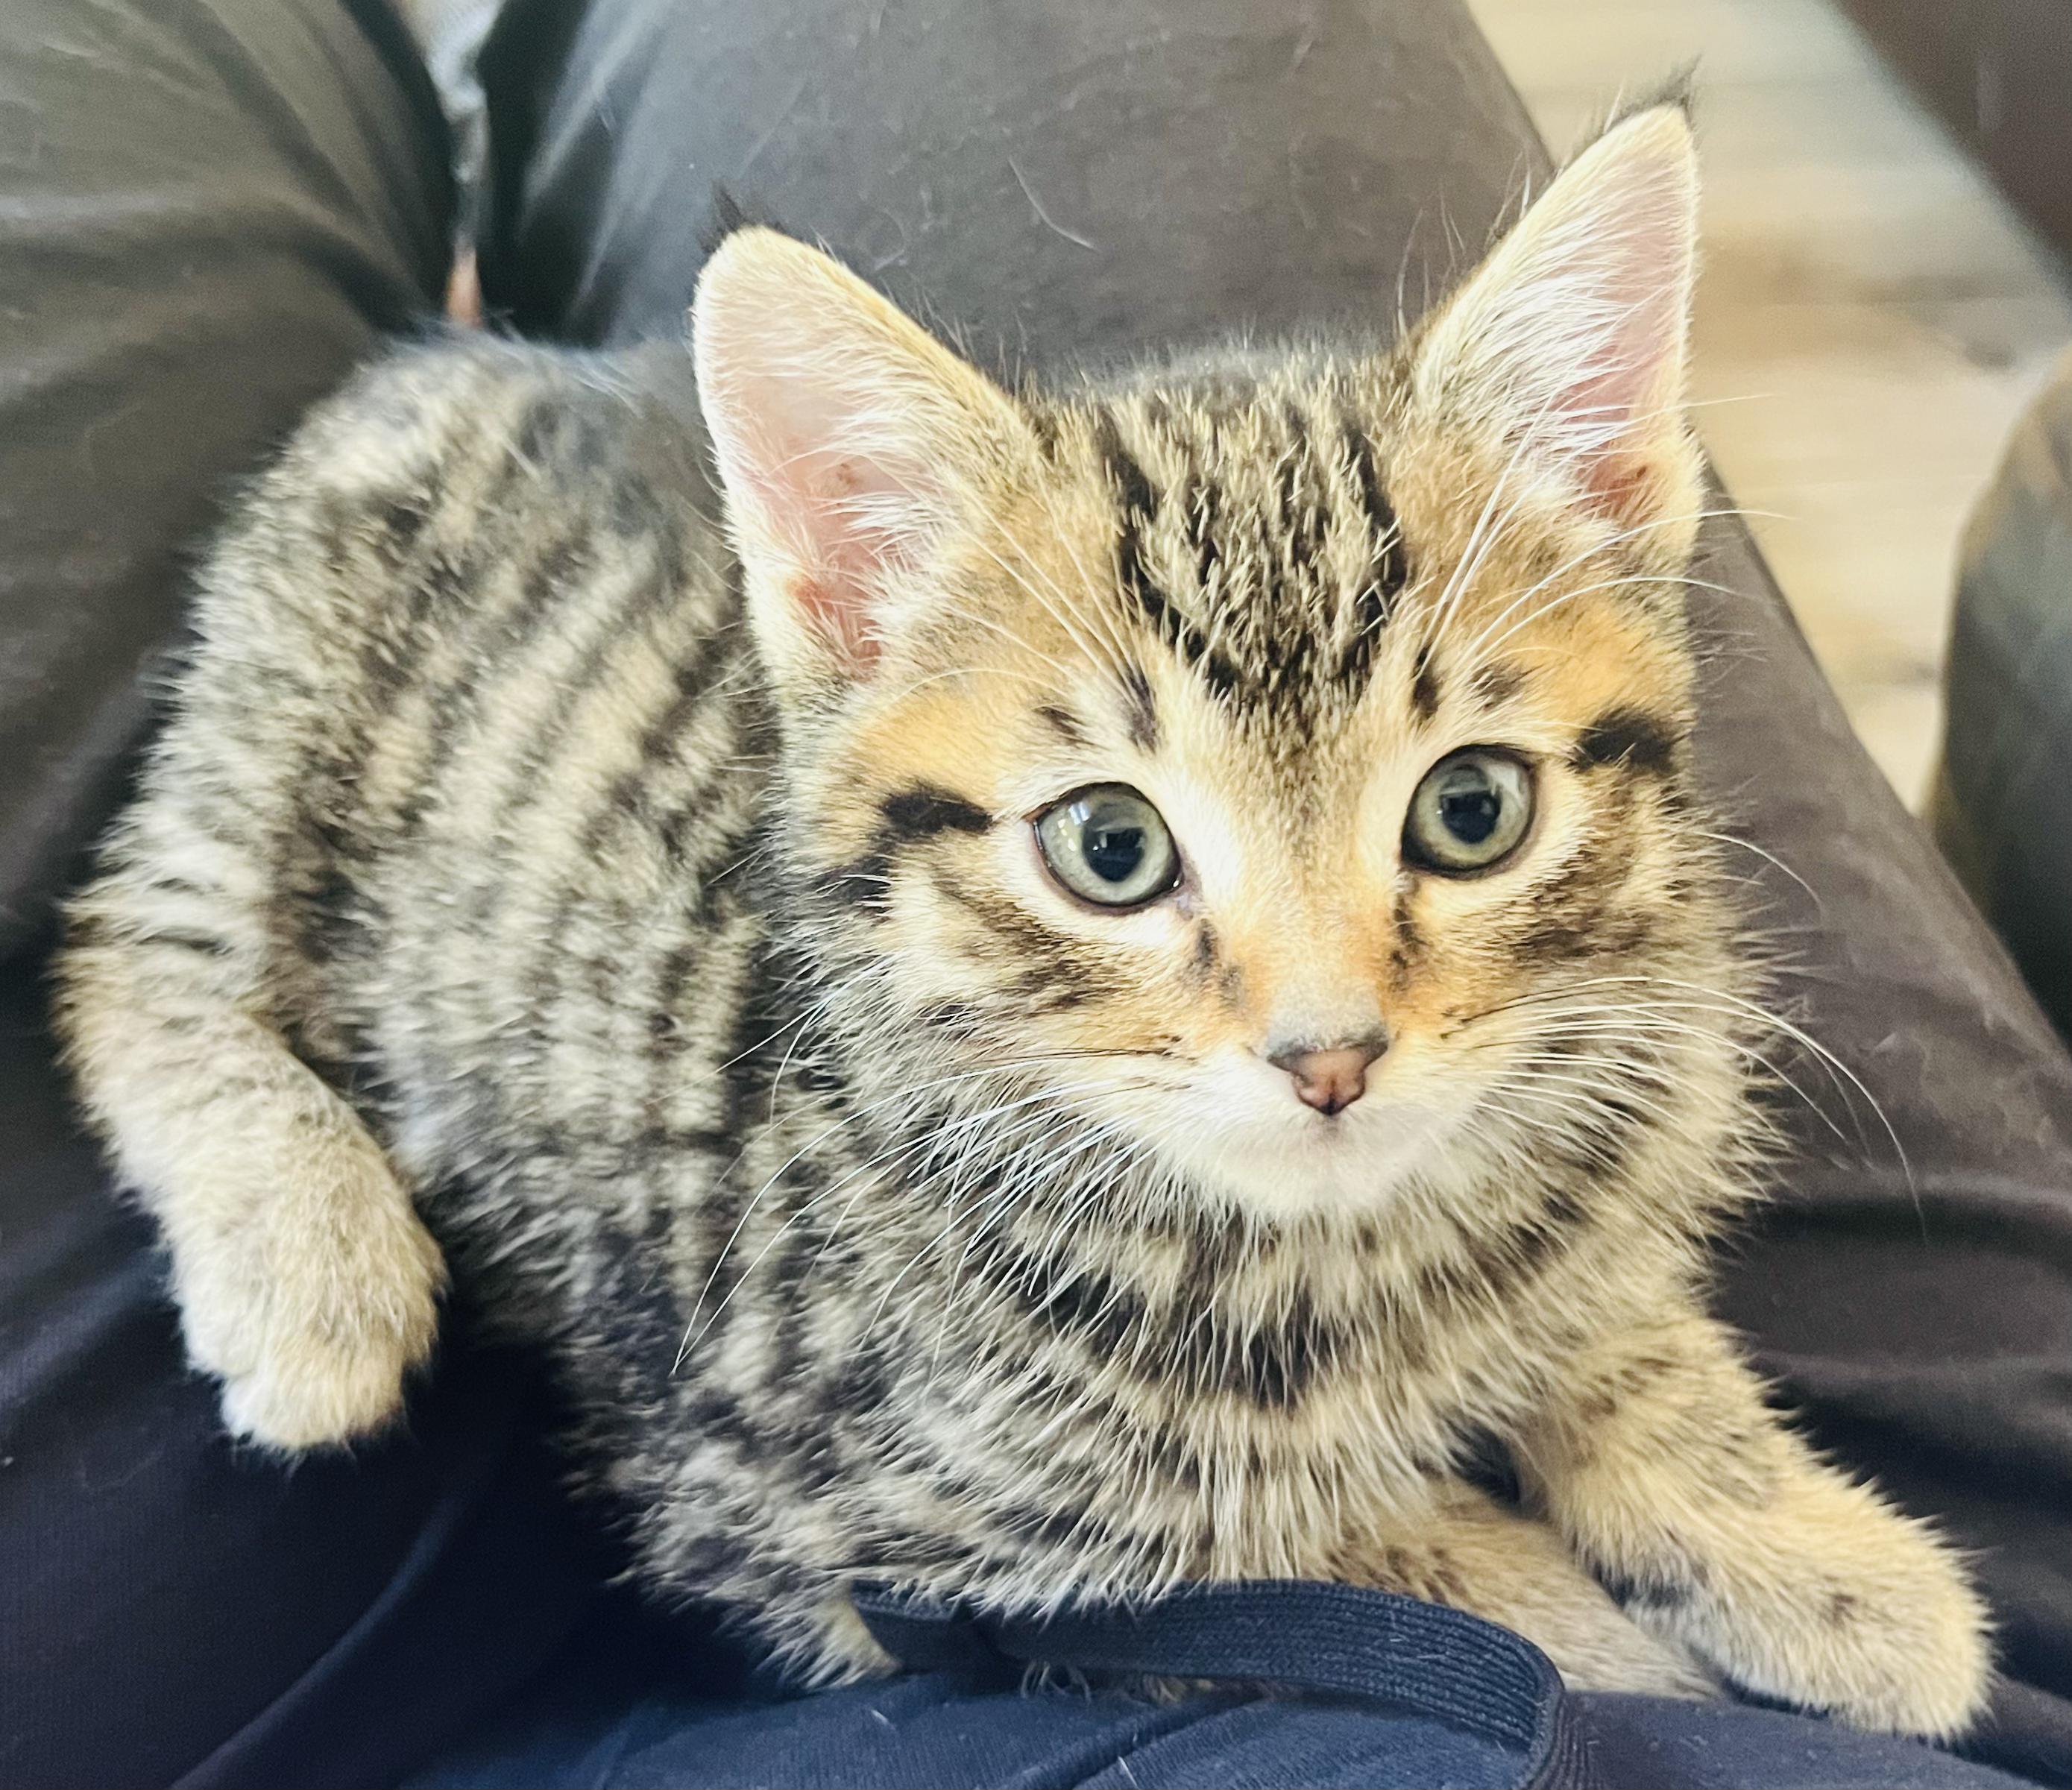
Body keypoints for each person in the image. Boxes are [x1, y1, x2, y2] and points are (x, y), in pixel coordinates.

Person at [3, 1, 2068, 1785]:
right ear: (847, 584)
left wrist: (1655, 1427)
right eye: (1117, 848)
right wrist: (1442, 1574)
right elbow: (797, 1534)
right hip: (449, 587)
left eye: (1459, 812)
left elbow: (1585, 1284)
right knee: (297, 664)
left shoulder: (1596, 1060)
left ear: (1616, 500)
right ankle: (180, 1019)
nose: (1323, 1022)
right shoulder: (949, 1254)